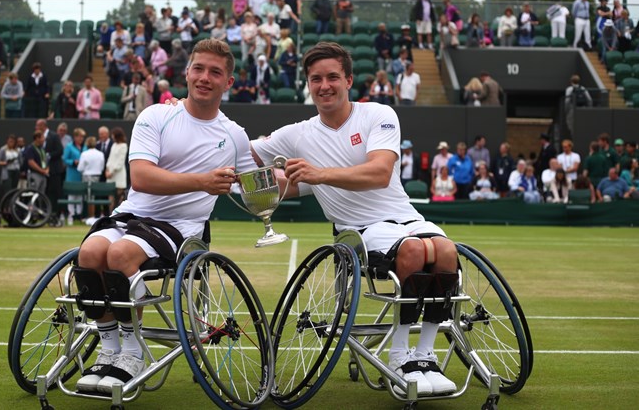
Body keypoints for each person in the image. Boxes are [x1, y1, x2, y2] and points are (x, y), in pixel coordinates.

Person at [250, 41, 458, 397]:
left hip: (406, 216)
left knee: (445, 251)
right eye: (316, 79)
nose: (324, 85)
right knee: (413, 252)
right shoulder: (296, 133)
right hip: (359, 232)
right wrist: (185, 113)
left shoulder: (379, 113)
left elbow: (378, 173)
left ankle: (425, 355)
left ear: (348, 80)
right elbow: (243, 154)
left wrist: (319, 175)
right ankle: (399, 356)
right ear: (308, 85)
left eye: (333, 77)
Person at [74, 39, 257, 393]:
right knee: (89, 254)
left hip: (182, 228)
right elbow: (141, 177)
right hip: (131, 214)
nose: (205, 77)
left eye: (215, 72)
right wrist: (202, 181)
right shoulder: (156, 114)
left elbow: (257, 188)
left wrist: (309, 175)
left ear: (228, 82)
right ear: (187, 72)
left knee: (118, 255)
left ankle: (131, 351)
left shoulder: (234, 135)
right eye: (199, 69)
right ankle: (109, 349)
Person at [63, 128, 86, 225]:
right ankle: (71, 215)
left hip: (82, 175)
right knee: (72, 196)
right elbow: (64, 159)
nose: (81, 139)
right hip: (72, 174)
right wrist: (73, 162)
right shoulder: (69, 146)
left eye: (83, 137)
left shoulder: (85, 147)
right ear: (75, 137)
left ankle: (79, 215)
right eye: (80, 136)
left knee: (80, 196)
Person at [105, 127, 128, 211]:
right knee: (110, 198)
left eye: (113, 135)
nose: (112, 136)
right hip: (110, 175)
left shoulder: (124, 146)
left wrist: (112, 171)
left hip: (119, 176)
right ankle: (110, 216)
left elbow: (120, 162)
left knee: (119, 198)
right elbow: (110, 159)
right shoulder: (114, 145)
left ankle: (118, 216)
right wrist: (107, 170)